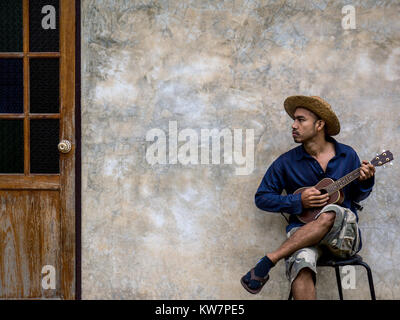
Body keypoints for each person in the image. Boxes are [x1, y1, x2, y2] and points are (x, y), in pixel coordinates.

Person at [240, 95, 376, 300]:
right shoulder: (286, 162)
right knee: (301, 264)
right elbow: (262, 198)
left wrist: (366, 180)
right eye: (294, 120)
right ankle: (285, 257)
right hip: (303, 238)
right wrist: (298, 201)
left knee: (332, 211)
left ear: (320, 124)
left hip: (343, 237)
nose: (293, 125)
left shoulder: (347, 156)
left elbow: (358, 195)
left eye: (301, 120)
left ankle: (270, 259)